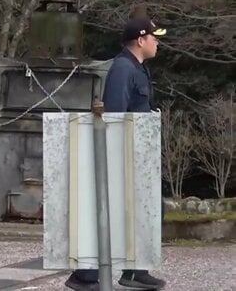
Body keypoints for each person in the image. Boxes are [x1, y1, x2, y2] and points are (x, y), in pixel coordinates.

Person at [65, 17, 167, 290]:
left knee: (142, 210)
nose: (158, 43)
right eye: (154, 38)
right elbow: (115, 114)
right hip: (126, 153)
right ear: (141, 39)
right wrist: (115, 158)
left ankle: (129, 271)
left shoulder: (136, 68)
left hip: (138, 152)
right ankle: (89, 275)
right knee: (116, 213)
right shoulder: (123, 69)